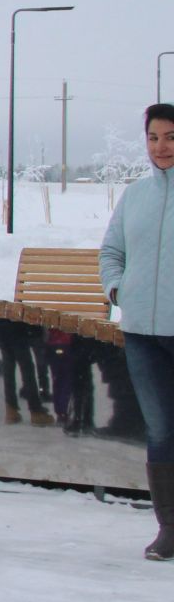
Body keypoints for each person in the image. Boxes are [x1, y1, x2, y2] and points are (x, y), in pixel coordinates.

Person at [101, 104, 174, 561]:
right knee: (161, 429)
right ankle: (169, 528)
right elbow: (112, 250)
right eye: (153, 138)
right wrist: (116, 287)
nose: (161, 147)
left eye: (170, 137)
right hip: (143, 334)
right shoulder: (136, 195)